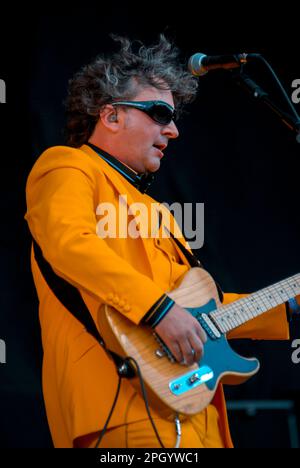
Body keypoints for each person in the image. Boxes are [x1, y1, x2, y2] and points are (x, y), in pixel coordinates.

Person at [25, 34, 298, 449]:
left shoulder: (154, 211)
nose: (172, 131)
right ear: (111, 115)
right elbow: (70, 244)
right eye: (158, 113)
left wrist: (290, 306)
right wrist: (157, 309)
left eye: (172, 118)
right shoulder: (68, 166)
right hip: (120, 404)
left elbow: (202, 313)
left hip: (193, 410)